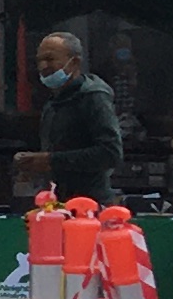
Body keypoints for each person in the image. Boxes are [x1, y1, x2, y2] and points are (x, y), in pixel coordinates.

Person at [34, 32, 122, 203]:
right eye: (39, 60)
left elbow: (111, 153)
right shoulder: (54, 102)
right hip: (58, 201)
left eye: (50, 59)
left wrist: (51, 160)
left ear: (74, 62)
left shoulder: (93, 96)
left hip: (90, 203)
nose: (43, 66)